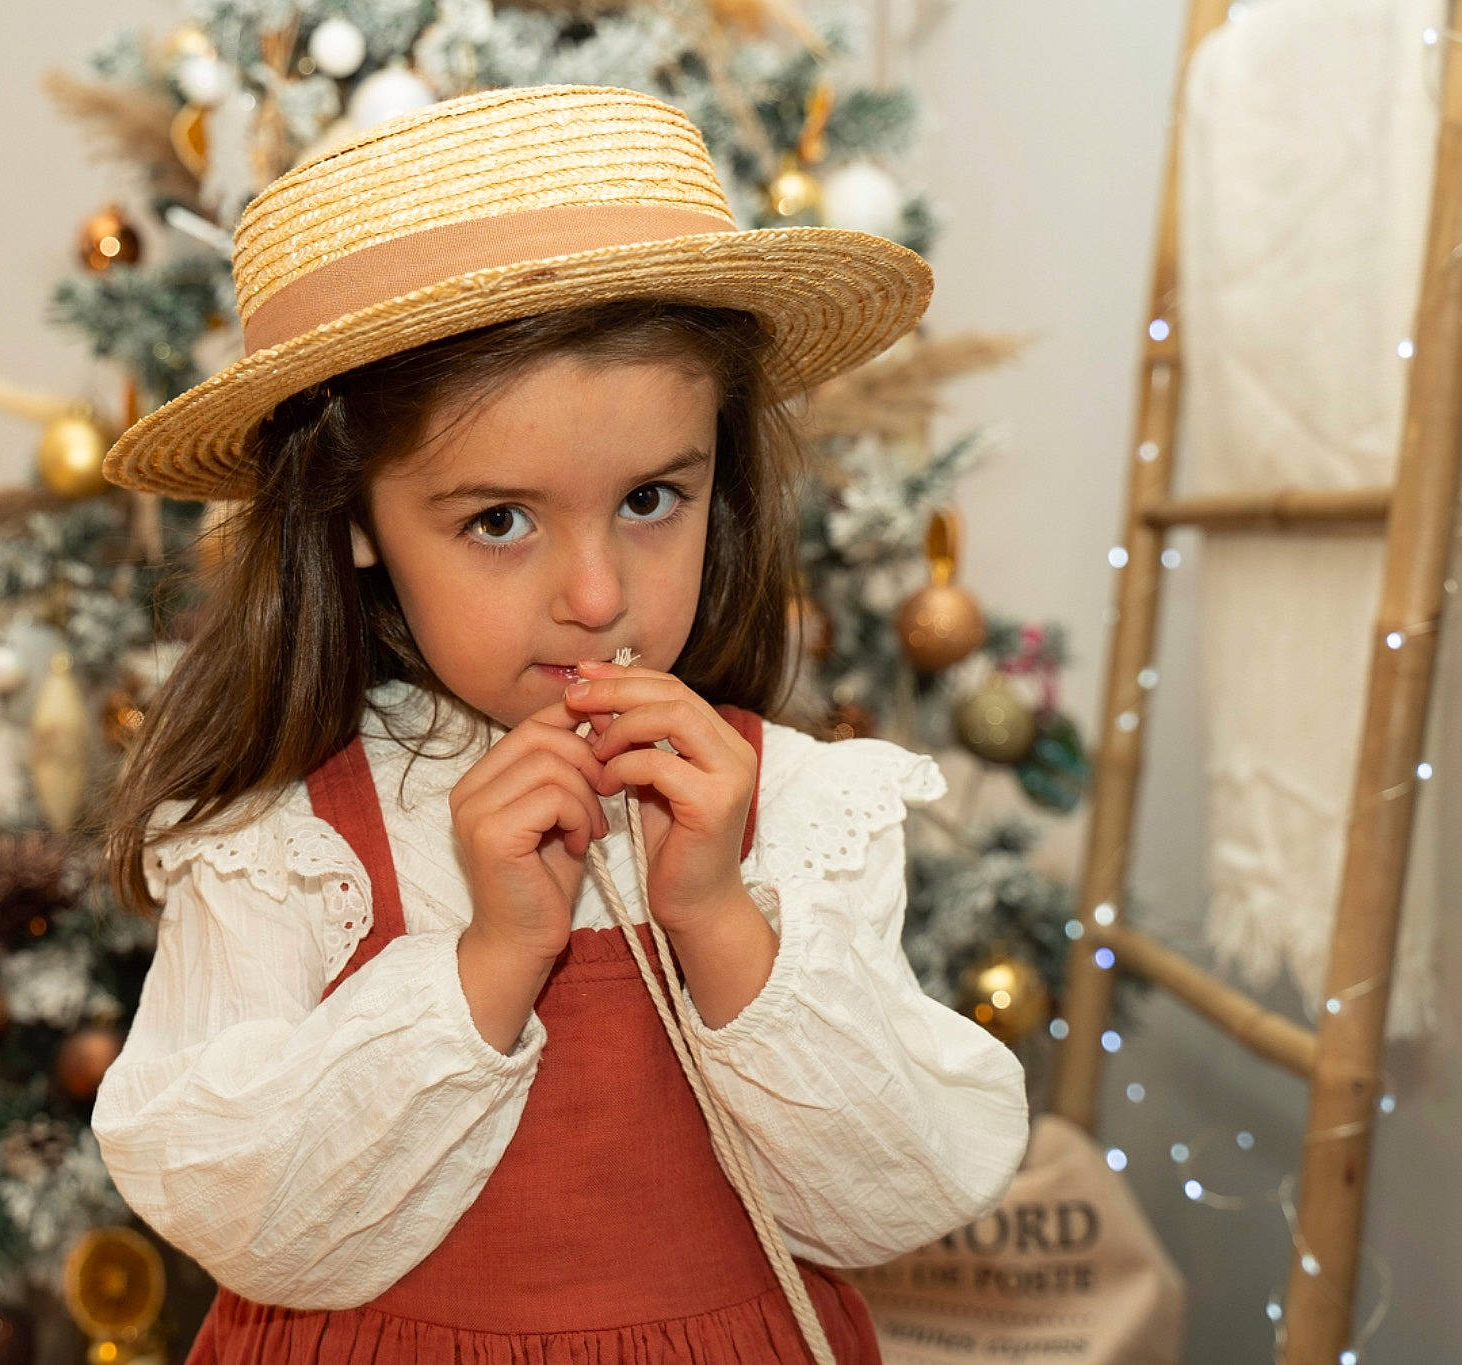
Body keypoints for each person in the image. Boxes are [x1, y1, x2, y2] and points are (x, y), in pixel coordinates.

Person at [91, 83, 1029, 1364]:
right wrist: (485, 964)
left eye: (651, 498)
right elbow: (248, 1222)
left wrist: (719, 919)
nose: (596, 598)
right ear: (353, 519)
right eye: (498, 521)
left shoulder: (797, 812)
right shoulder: (279, 844)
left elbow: (894, 1197)